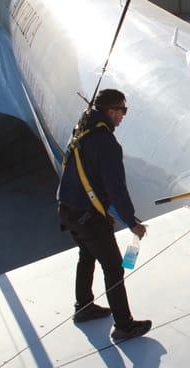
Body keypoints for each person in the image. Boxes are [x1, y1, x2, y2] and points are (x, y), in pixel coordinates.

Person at [57, 89, 151, 340]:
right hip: (87, 215)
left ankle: (84, 307)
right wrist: (131, 222)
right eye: (122, 110)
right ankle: (124, 325)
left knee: (86, 254)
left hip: (68, 209)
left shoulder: (82, 127)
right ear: (110, 111)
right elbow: (116, 188)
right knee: (113, 267)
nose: (123, 116)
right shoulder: (106, 142)